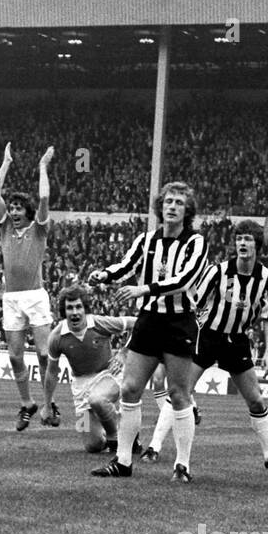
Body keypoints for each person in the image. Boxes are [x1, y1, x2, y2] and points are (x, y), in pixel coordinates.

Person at [88, 182, 208, 482]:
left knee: (179, 394)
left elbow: (185, 279)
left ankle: (182, 465)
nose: (172, 206)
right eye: (168, 201)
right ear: (160, 206)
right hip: (149, 320)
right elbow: (127, 264)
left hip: (179, 322)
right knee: (129, 388)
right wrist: (105, 274)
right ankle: (124, 461)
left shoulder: (196, 243)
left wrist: (145, 288)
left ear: (187, 211)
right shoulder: (147, 239)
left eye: (179, 203)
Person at [173, 220, 268, 470]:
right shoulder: (218, 271)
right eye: (239, 238)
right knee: (181, 391)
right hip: (207, 335)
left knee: (256, 401)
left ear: (256, 245)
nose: (242, 243)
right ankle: (179, 462)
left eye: (248, 239)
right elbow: (194, 300)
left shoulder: (265, 278)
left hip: (236, 340)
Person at [0, 145, 58, 430]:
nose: (13, 211)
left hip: (35, 296)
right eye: (11, 208)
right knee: (14, 355)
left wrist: (42, 167)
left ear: (28, 211)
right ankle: (27, 404)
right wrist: (6, 163)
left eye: (19, 208)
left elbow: (45, 196)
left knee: (45, 354)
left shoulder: (39, 229)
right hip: (11, 298)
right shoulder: (5, 229)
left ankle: (48, 404)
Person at [41, 284, 138, 452]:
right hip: (80, 388)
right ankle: (121, 429)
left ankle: (118, 439)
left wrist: (123, 353)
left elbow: (137, 324)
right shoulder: (56, 337)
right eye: (70, 308)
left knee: (97, 399)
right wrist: (47, 404)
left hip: (109, 375)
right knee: (92, 446)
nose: (75, 312)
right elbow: (51, 371)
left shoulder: (100, 323)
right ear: (64, 312)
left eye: (79, 306)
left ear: (85, 308)